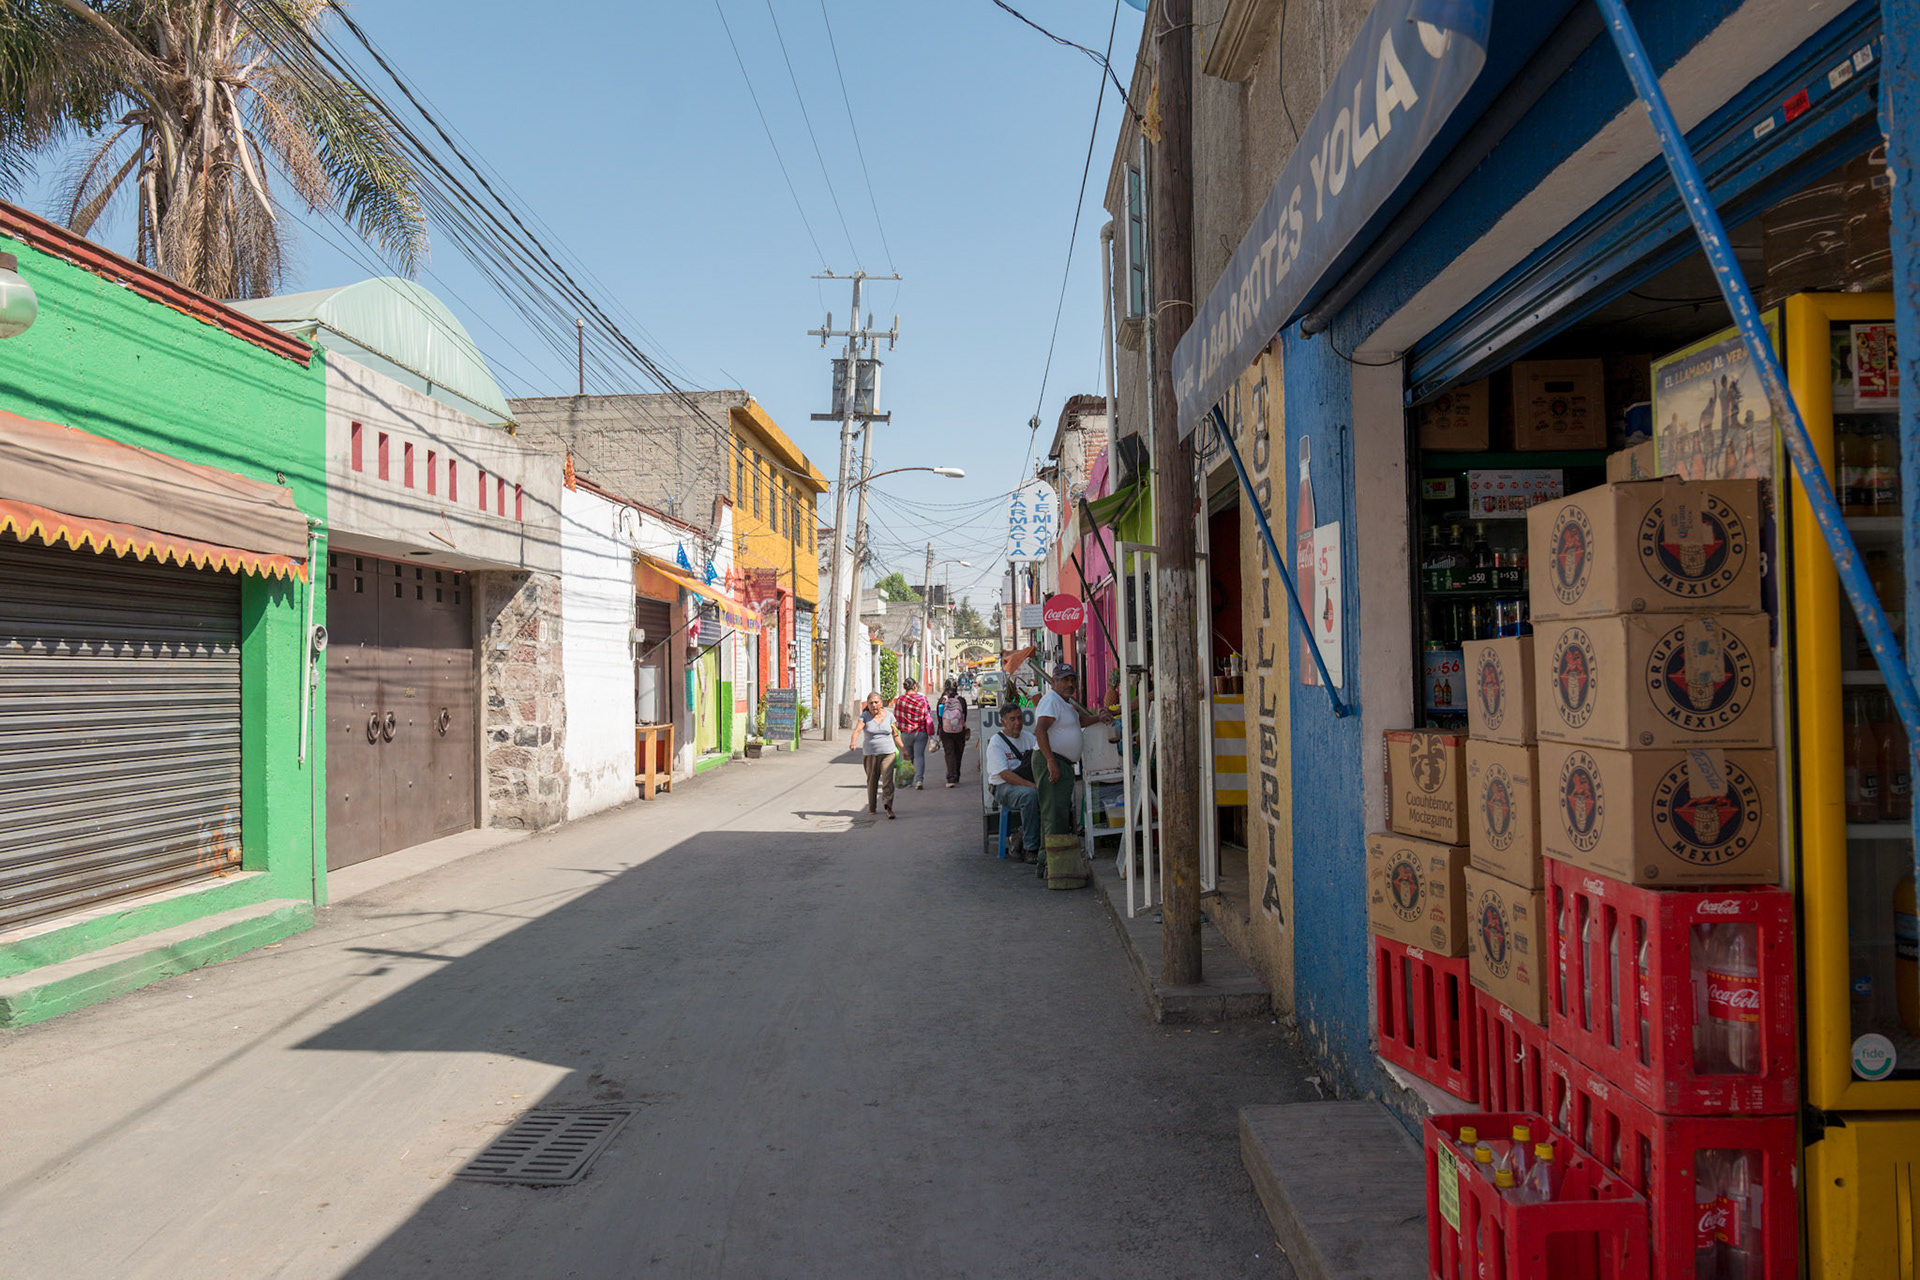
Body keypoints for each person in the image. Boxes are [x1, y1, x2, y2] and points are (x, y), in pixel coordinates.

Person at [1032, 662, 1111, 852]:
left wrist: (1098, 718)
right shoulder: (1051, 701)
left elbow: (1078, 722)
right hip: (1052, 761)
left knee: (1059, 812)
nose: (1070, 684)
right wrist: (1051, 761)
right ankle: (1051, 860)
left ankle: (1052, 859)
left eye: (1072, 680)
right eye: (1064, 680)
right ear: (1054, 682)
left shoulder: (1064, 703)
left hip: (1062, 762)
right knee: (1054, 814)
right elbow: (1040, 730)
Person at [986, 703, 1039, 859]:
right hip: (1003, 787)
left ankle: (1022, 835)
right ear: (1003, 721)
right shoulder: (996, 743)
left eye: (1020, 718)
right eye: (1012, 719)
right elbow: (1005, 774)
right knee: (1029, 795)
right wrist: (1032, 785)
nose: (1017, 723)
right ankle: (1031, 848)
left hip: (1027, 783)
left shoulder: (1029, 738)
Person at [849, 692, 903, 818]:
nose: (874, 705)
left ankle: (888, 807)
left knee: (887, 780)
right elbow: (857, 730)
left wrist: (903, 749)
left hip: (888, 753)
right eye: (871, 703)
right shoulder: (865, 717)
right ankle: (872, 807)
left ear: (881, 703)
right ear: (867, 705)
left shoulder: (889, 716)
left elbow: (895, 734)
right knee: (872, 780)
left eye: (876, 702)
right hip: (870, 754)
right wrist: (853, 742)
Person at [893, 677, 933, 790]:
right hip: (921, 732)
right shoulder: (922, 698)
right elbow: (927, 713)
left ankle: (909, 781)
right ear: (915, 686)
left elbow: (896, 717)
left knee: (908, 757)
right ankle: (919, 780)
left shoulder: (900, 700)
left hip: (906, 733)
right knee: (920, 756)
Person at [935, 679, 970, 787]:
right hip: (959, 730)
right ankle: (957, 774)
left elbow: (939, 718)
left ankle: (951, 778)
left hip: (945, 731)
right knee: (958, 752)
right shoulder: (961, 700)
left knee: (949, 753)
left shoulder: (941, 701)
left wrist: (940, 730)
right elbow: (964, 716)